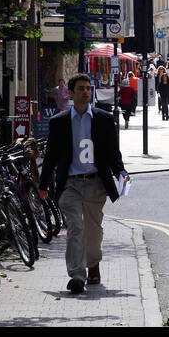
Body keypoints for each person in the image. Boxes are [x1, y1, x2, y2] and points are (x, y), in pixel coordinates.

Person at [40, 73, 129, 294]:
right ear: (71, 93)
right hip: (70, 183)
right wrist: (42, 185)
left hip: (95, 183)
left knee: (93, 231)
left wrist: (121, 171)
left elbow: (112, 153)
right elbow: (50, 156)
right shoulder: (59, 122)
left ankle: (93, 264)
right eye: (81, 88)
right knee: (75, 228)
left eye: (88, 88)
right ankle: (77, 276)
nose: (86, 92)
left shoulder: (104, 119)